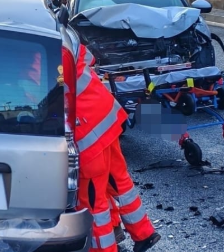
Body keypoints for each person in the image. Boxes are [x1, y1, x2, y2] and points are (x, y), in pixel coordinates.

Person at [66, 43, 161, 252]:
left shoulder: (34, 59)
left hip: (87, 132)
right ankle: (144, 233)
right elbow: (88, 56)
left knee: (93, 202)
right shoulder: (61, 38)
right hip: (106, 117)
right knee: (119, 180)